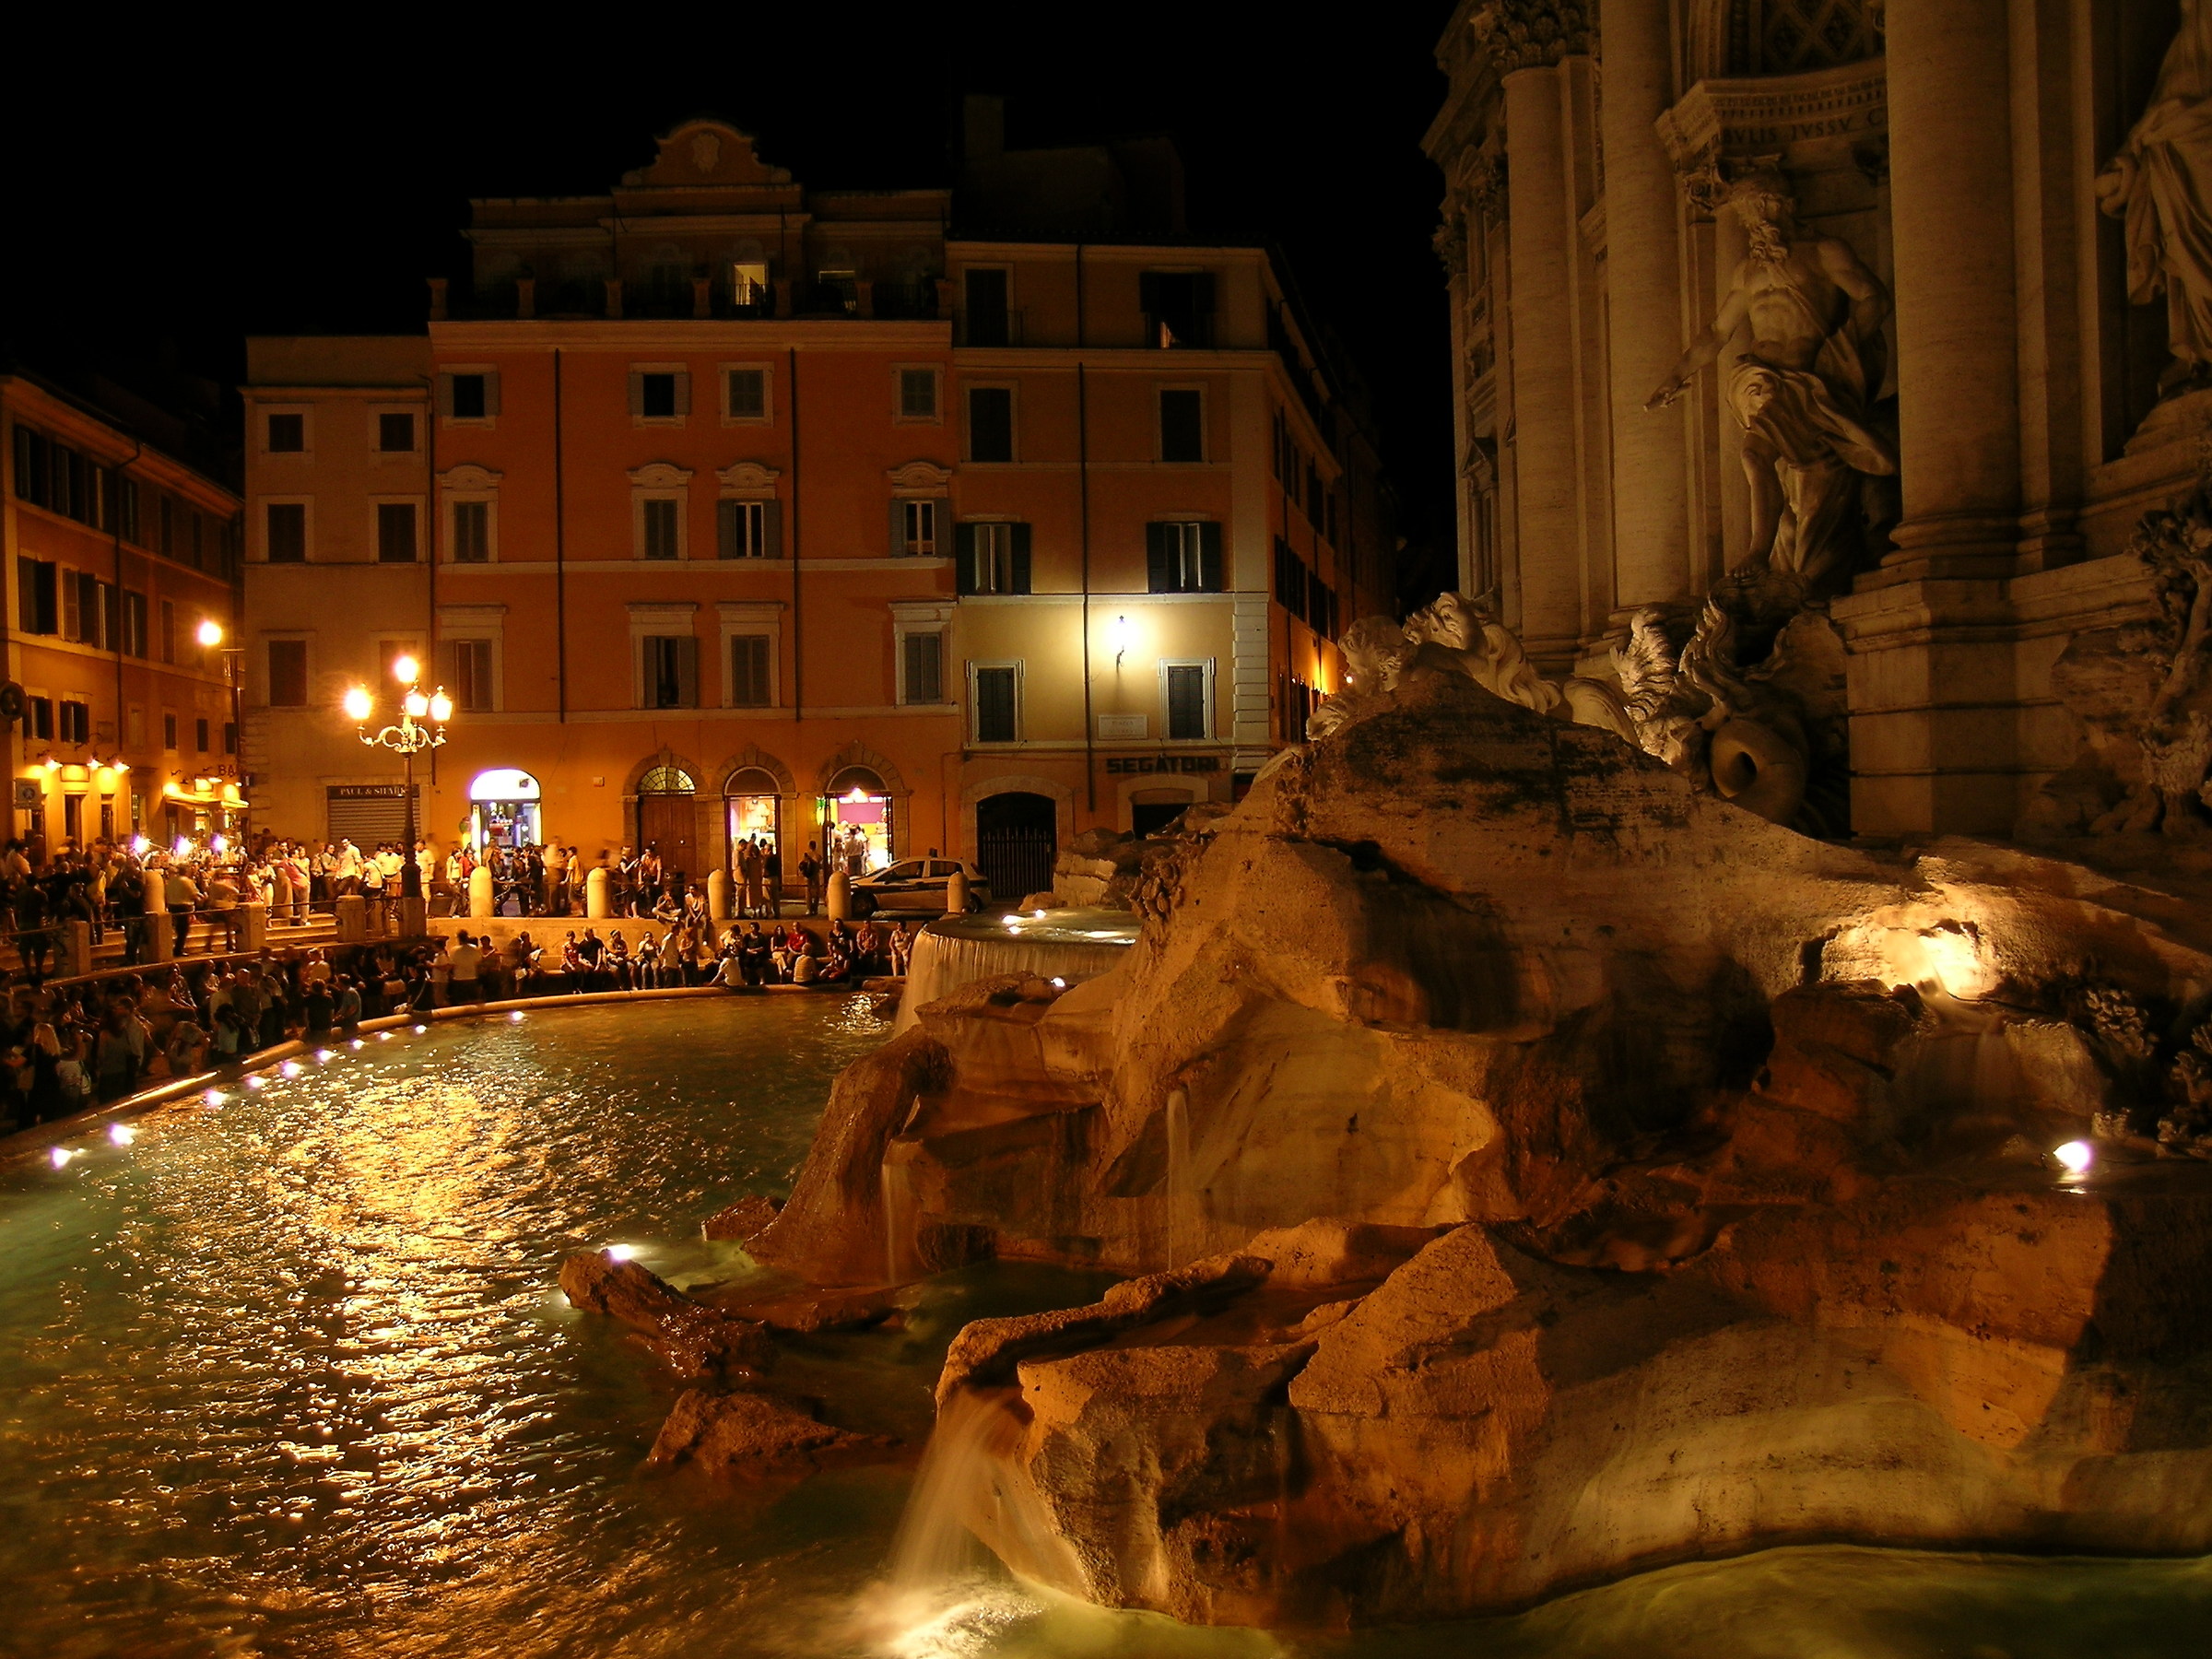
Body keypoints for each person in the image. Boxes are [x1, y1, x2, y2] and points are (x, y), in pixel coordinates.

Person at [447, 930, 484, 1004]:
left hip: (459, 978)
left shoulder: (454, 950)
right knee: (473, 1001)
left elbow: (451, 964)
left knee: (460, 1002)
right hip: (472, 978)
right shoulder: (474, 949)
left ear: (458, 938)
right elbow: (479, 962)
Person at [799, 842, 824, 917]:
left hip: (807, 876)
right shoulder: (818, 855)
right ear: (815, 846)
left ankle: (809, 909)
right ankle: (815, 909)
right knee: (817, 892)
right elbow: (821, 866)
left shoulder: (806, 854)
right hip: (815, 875)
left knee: (808, 892)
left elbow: (802, 864)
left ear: (809, 846)